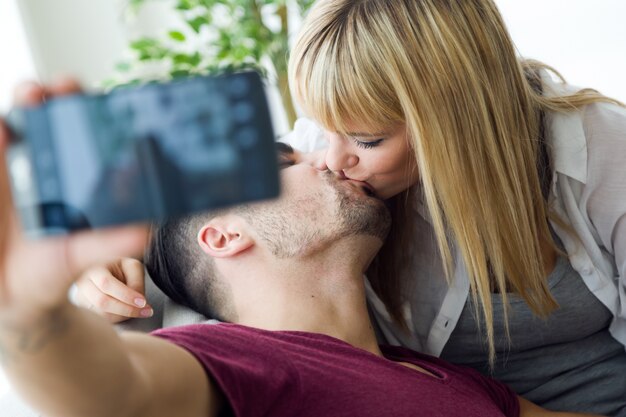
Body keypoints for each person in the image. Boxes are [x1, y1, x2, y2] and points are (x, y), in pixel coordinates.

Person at [79, 0, 626, 415]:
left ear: (451, 126)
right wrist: (91, 251)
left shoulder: (600, 155)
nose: (329, 159)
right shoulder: (248, 357)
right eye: (322, 128)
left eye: (364, 139)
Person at [1, 86, 606, 416]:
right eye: (284, 163)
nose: (325, 156)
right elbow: (116, 395)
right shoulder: (232, 360)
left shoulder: (453, 379)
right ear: (224, 235)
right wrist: (26, 311)